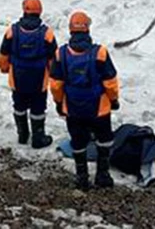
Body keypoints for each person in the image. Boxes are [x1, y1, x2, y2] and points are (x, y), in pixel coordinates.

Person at [50, 11, 120, 190]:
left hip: (73, 108)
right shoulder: (100, 53)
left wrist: (59, 103)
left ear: (71, 29)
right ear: (87, 29)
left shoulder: (61, 54)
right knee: (104, 140)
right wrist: (114, 100)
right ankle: (102, 175)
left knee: (78, 142)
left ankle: (82, 177)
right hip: (99, 108)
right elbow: (110, 82)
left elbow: (56, 84)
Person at [0, 0, 58, 148]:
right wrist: (53, 74)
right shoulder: (47, 33)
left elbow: (3, 53)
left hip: (17, 77)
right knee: (38, 108)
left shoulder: (12, 31)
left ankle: (22, 135)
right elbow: (53, 58)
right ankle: (38, 138)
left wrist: (4, 68)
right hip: (39, 79)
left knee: (19, 105)